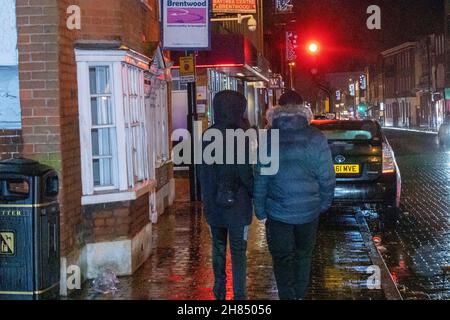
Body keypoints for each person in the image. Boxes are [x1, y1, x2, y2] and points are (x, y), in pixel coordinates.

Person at [254, 103, 336, 300]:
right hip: (309, 211)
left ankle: (286, 296)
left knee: (282, 258)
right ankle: (300, 294)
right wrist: (323, 203)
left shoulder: (269, 138)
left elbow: (261, 177)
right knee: (303, 255)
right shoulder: (315, 137)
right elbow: (327, 176)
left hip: (277, 211)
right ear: (304, 115)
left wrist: (260, 208)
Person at [197, 90, 254, 300]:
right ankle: (240, 295)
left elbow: (201, 171)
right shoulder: (240, 136)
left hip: (214, 206)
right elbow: (245, 172)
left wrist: (207, 197)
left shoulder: (207, 136)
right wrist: (253, 192)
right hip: (238, 206)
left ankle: (219, 290)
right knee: (238, 252)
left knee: (218, 248)